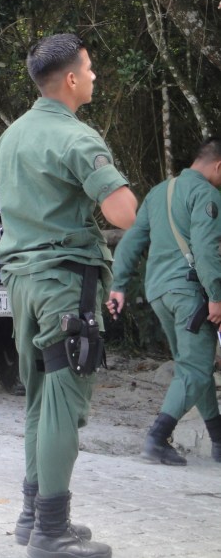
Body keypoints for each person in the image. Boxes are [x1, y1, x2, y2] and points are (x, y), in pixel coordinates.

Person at [0, 33, 137, 558]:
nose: (95, 77)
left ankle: (33, 517)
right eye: (90, 68)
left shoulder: (10, 137)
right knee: (64, 400)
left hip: (22, 282)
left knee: (40, 397)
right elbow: (123, 212)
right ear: (71, 79)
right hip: (63, 284)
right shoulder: (76, 138)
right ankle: (51, 533)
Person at [108, 137, 221, 467]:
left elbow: (131, 241)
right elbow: (205, 250)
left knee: (191, 364)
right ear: (218, 166)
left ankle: (218, 440)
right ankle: (157, 438)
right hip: (190, 294)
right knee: (196, 368)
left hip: (159, 293)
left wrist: (118, 285)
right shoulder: (206, 195)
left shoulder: (159, 193)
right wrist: (217, 296)